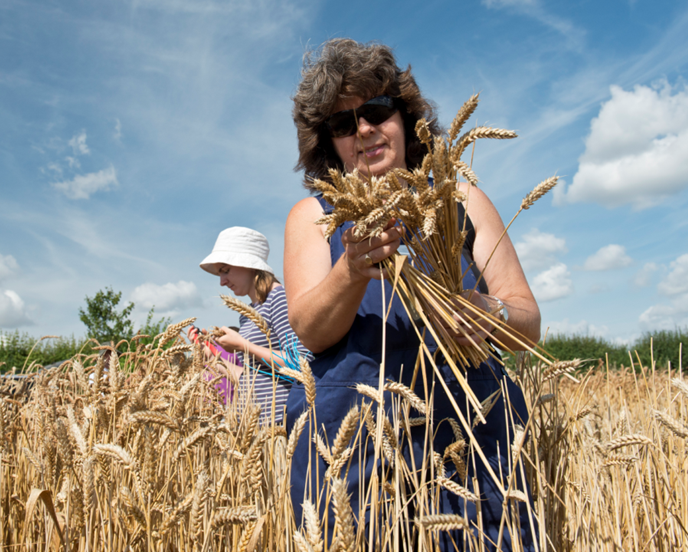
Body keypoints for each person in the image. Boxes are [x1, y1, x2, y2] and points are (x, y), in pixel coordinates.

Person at [284, 39, 540, 549]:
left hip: (474, 427)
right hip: (353, 439)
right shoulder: (312, 217)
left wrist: (486, 310)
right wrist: (350, 270)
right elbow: (310, 329)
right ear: (329, 143)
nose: (362, 130)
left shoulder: (463, 199)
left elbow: (529, 325)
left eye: (376, 111)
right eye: (342, 124)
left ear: (405, 118)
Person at [197, 226, 309, 425]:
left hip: (278, 425)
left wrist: (243, 346)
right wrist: (212, 356)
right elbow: (249, 378)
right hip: (254, 426)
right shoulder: (249, 313)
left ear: (249, 265)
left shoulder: (279, 298)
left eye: (226, 271)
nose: (222, 282)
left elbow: (299, 362)